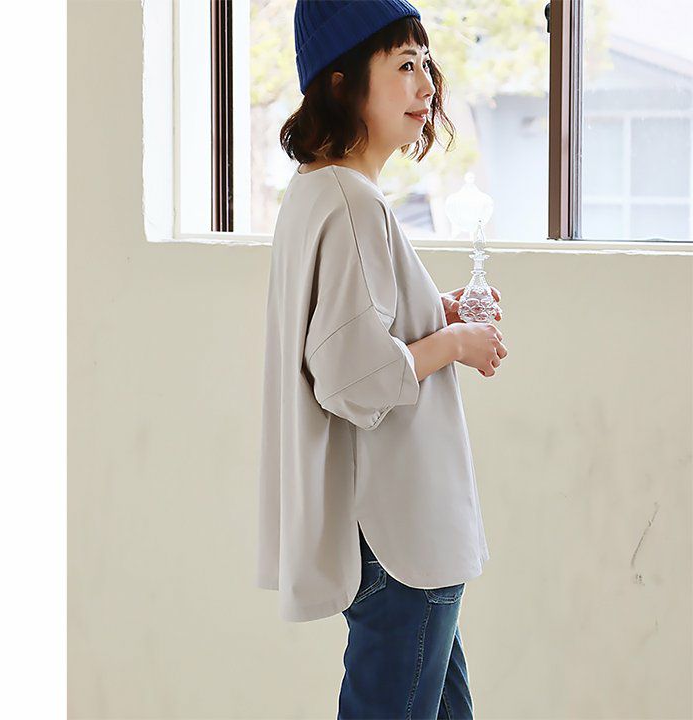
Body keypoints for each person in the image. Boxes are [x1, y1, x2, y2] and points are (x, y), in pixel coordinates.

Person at [256, 1, 508, 717]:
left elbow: (355, 335)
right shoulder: (353, 204)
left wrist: (439, 312)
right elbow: (351, 375)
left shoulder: (320, 191)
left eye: (425, 63)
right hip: (400, 532)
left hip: (389, 532)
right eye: (403, 65)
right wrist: (454, 343)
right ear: (341, 82)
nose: (426, 85)